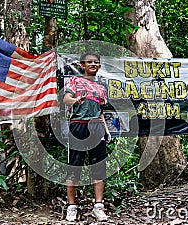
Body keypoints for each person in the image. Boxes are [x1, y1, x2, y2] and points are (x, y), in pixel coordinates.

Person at [63, 52, 111, 222]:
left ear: (99, 66)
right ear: (82, 65)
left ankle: (98, 207)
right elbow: (66, 99)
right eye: (89, 62)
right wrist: (76, 100)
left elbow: (101, 110)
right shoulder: (74, 81)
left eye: (96, 62)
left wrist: (106, 130)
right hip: (78, 126)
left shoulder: (101, 87)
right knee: (74, 167)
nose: (93, 64)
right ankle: (71, 207)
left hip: (97, 126)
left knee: (98, 167)